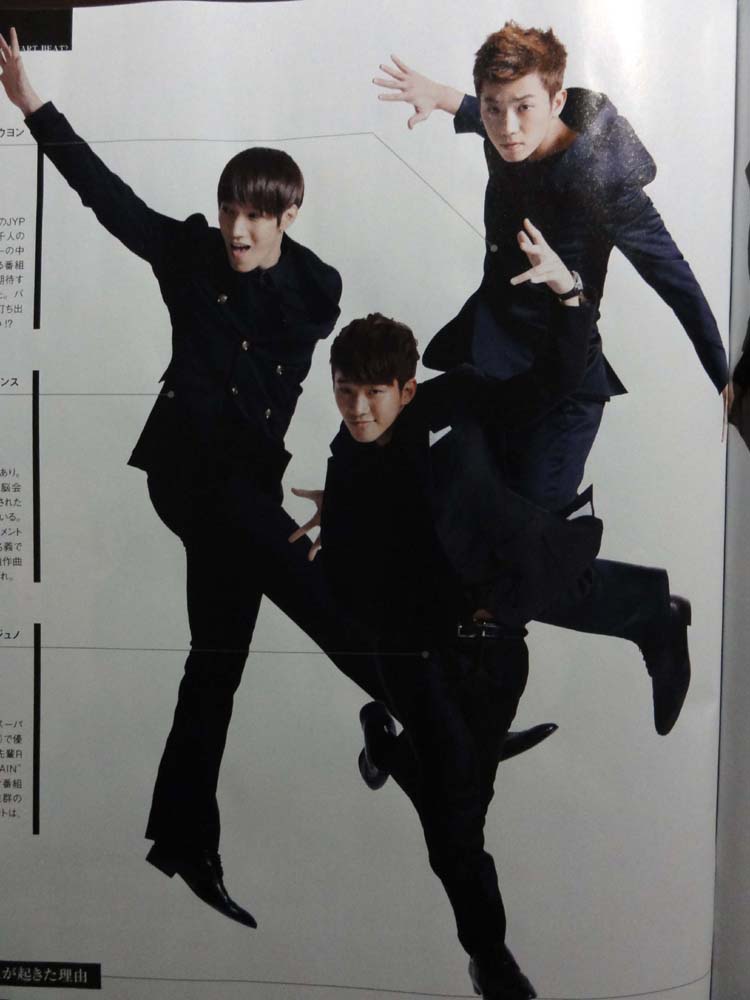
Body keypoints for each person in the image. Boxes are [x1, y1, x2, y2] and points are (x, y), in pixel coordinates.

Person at [0, 27, 549, 931]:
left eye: (255, 215)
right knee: (325, 598)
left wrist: (355, 480)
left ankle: (183, 838)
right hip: (189, 476)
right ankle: (450, 724)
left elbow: (344, 390)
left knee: (216, 661)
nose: (237, 229)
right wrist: (34, 106)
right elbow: (107, 197)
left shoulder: (317, 289)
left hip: (251, 482)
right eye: (228, 211)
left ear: (288, 215)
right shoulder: (187, 255)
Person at [373, 21, 705, 733]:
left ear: (556, 101)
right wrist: (446, 98)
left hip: (563, 391)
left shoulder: (604, 183)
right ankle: (453, 724)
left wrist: (725, 376)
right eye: (494, 109)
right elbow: (495, 113)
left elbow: (674, 276)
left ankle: (648, 614)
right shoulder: (505, 130)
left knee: (525, 566)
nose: (507, 127)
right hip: (491, 368)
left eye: (523, 108)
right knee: (462, 532)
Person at [300, 224, 600, 998]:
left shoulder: (451, 402)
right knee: (456, 826)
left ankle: (388, 748)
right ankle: (491, 960)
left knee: (463, 804)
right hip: (417, 657)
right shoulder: (345, 461)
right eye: (344, 391)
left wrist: (569, 296)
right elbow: (354, 586)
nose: (357, 409)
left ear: (408, 389)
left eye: (374, 393)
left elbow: (551, 385)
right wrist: (342, 532)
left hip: (495, 650)